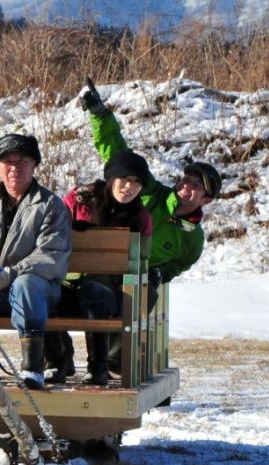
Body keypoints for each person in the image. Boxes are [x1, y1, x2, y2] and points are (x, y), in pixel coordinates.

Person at [80, 77, 222, 371]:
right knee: (98, 288)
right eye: (186, 178)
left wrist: (160, 272)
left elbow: (179, 265)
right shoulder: (152, 193)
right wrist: (99, 113)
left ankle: (116, 360)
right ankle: (96, 359)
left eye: (196, 186)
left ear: (205, 200)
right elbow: (118, 154)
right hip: (108, 265)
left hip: (139, 280)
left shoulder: (193, 240)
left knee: (143, 291)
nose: (187, 185)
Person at [44, 150, 153, 386]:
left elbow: (141, 261)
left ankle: (98, 367)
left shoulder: (140, 217)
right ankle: (55, 360)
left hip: (107, 292)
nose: (129, 187)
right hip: (68, 282)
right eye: (125, 179)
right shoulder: (79, 200)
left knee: (94, 291)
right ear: (112, 178)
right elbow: (50, 234)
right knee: (40, 292)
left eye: (137, 183)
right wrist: (71, 229)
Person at [0, 133, 71, 390]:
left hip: (40, 292)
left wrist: (10, 273)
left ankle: (32, 369)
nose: (14, 167)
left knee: (26, 284)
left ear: (34, 165)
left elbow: (50, 255)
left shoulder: (51, 205)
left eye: (21, 161)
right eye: (6, 161)